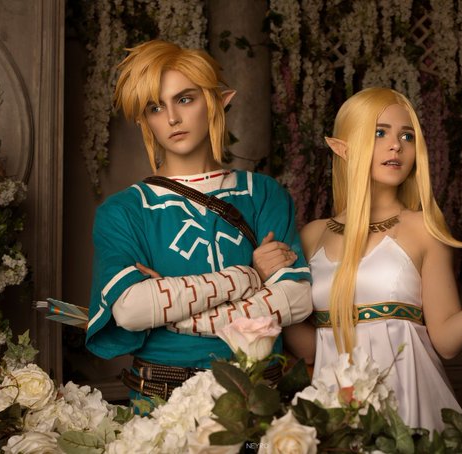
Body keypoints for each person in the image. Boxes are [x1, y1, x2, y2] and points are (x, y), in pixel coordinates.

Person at [284, 87, 462, 432]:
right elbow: (311, 349)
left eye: (407, 136)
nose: (396, 146)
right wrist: (270, 292)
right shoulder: (312, 236)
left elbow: (446, 342)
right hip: (334, 410)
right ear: (342, 147)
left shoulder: (424, 228)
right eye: (380, 133)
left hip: (410, 404)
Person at [85, 40, 312, 410]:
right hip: (161, 401)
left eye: (185, 99)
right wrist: (247, 276)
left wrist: (173, 312)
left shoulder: (263, 194)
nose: (172, 118)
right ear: (145, 121)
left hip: (258, 397)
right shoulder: (124, 210)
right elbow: (130, 309)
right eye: (156, 107)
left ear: (218, 101)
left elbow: (297, 299)